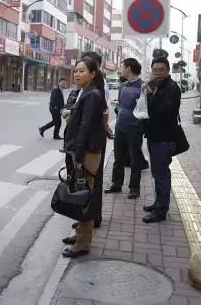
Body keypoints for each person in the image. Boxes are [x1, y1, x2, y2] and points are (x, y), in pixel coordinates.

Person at [61, 58, 106, 258]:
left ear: (93, 74)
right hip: (77, 151)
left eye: (82, 71)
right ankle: (79, 234)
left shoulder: (93, 95)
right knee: (78, 193)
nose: (77, 74)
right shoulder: (82, 92)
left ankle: (83, 243)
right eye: (75, 71)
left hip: (85, 152)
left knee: (84, 196)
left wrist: (78, 156)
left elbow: (85, 128)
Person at [142, 57, 181, 223]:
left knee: (162, 175)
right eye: (155, 70)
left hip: (164, 139)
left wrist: (151, 96)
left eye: (161, 69)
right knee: (157, 174)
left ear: (168, 71)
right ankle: (158, 203)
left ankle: (161, 211)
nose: (157, 72)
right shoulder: (157, 85)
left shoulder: (172, 88)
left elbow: (167, 113)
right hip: (155, 137)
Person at [105, 58, 145, 199]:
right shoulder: (122, 86)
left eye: (122, 66)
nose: (121, 69)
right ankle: (116, 184)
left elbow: (145, 109)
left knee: (135, 160)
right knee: (118, 158)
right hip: (121, 127)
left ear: (128, 68)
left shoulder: (143, 87)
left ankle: (134, 188)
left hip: (135, 129)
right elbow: (121, 105)